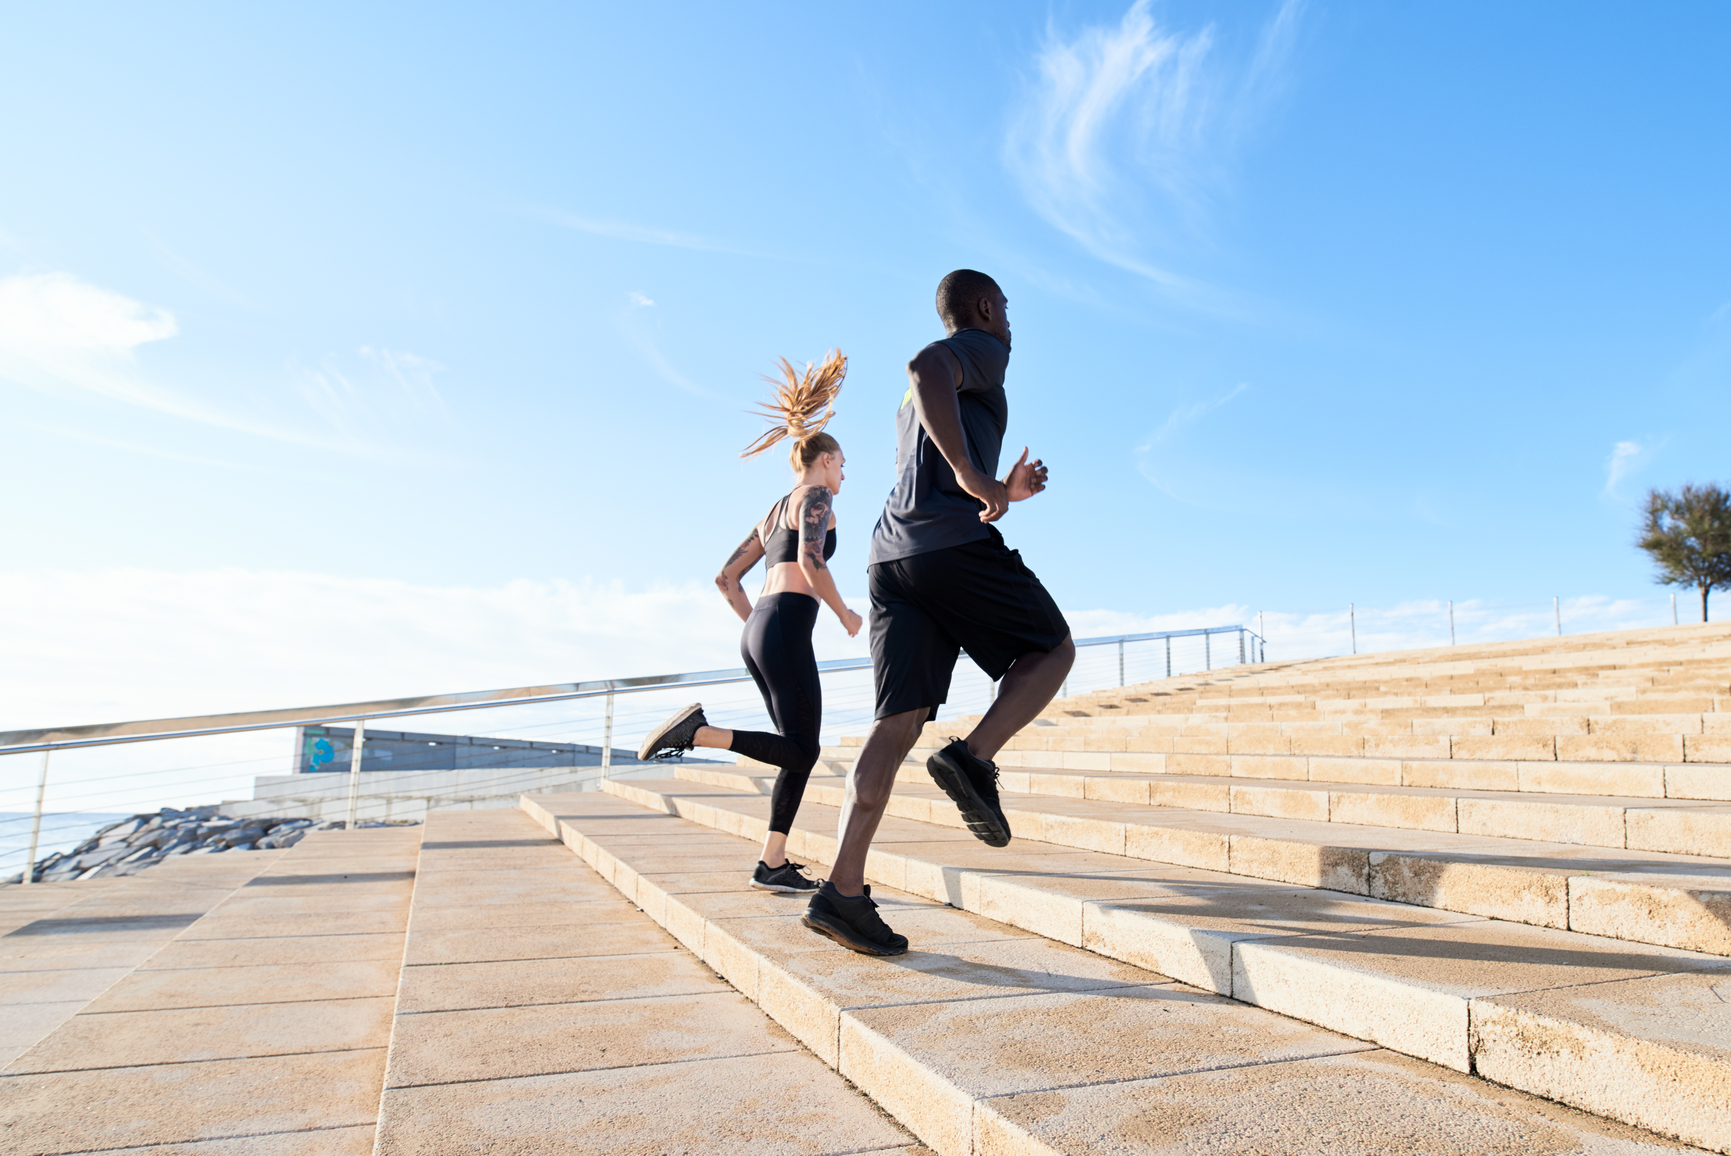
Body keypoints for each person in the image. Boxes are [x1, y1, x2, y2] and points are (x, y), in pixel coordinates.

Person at [801, 271, 1074, 956]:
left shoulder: (918, 400)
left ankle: (842, 890)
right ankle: (973, 759)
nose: (1009, 321)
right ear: (983, 307)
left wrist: (1000, 484)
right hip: (948, 544)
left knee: (892, 727)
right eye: (1004, 308)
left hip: (891, 560)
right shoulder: (978, 347)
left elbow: (928, 427)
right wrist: (971, 476)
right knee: (1052, 650)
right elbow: (925, 364)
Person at [638, 350, 864, 893]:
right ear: (828, 460)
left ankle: (772, 861)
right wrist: (844, 612)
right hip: (784, 627)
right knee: (803, 749)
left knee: (795, 749)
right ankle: (698, 732)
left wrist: (753, 627)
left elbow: (725, 578)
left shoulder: (771, 510)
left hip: (762, 628)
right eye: (843, 463)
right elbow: (812, 562)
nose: (844, 473)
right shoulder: (814, 498)